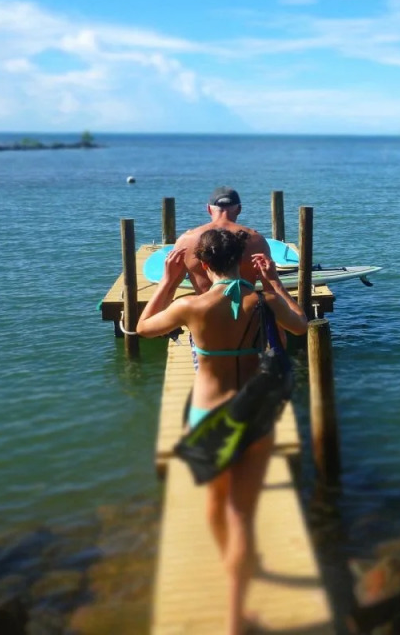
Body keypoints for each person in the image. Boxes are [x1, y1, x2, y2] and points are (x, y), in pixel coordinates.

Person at [137, 228, 308, 635]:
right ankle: (237, 610)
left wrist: (168, 282)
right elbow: (301, 325)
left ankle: (231, 571)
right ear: (241, 260)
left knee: (216, 505)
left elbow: (142, 328)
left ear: (204, 264)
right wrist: (274, 282)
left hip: (208, 413)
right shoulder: (262, 301)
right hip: (253, 414)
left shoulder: (191, 306)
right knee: (242, 517)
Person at [174, 186, 272, 295]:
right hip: (245, 305)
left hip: (205, 305)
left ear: (208, 209)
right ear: (239, 209)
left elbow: (170, 287)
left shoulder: (186, 240)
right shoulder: (256, 240)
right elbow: (270, 287)